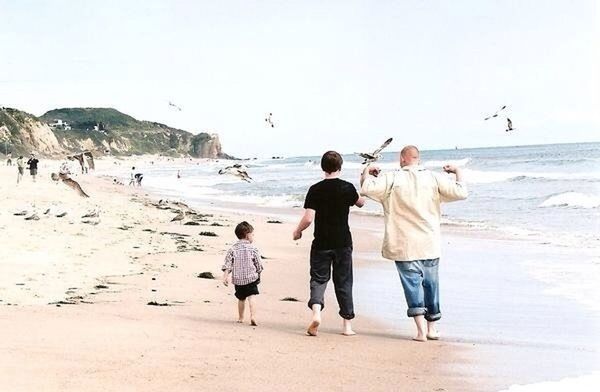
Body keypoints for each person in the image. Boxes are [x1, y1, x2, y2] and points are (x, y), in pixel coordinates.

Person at [360, 145, 468, 342]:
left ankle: (420, 331)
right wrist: (457, 171)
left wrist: (367, 171)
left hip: (404, 243)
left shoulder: (392, 178)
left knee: (412, 285)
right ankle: (432, 328)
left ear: (402, 160)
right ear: (418, 159)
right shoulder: (433, 177)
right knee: (431, 285)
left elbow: (366, 189)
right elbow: (461, 193)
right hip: (429, 241)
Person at [293, 151, 365, 337]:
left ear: (322, 167)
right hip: (342, 242)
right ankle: (347, 326)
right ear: (340, 167)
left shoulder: (315, 189)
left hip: (321, 243)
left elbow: (308, 219)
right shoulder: (347, 188)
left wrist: (298, 231)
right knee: (344, 281)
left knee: (318, 279)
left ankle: (317, 312)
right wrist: (364, 179)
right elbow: (361, 203)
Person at [222, 221, 263, 326]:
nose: (253, 236)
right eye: (252, 234)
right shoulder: (253, 249)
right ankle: (253, 316)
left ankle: (241, 317)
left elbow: (228, 264)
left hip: (238, 280)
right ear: (247, 235)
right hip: (251, 278)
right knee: (252, 297)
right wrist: (258, 273)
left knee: (241, 298)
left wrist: (225, 276)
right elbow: (258, 263)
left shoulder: (233, 249)